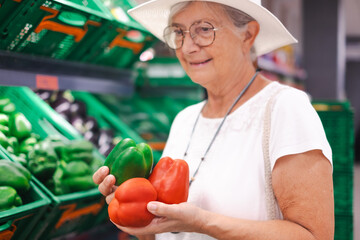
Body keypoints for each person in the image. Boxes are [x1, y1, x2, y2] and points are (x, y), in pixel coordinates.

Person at [93, 0, 334, 239]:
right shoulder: (185, 120)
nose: (187, 47)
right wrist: (133, 209)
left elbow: (314, 236)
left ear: (248, 35)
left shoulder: (284, 108)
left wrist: (203, 222)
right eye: (178, 32)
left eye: (204, 29)